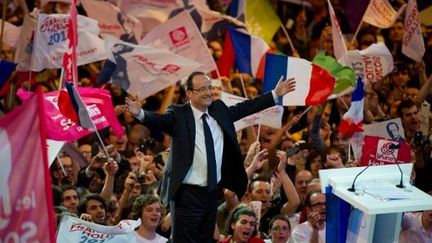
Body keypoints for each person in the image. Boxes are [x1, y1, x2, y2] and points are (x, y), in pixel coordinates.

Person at [125, 71, 296, 242]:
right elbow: (159, 120)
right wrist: (140, 114)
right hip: (187, 193)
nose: (208, 92)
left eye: (209, 88)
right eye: (202, 89)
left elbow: (246, 107)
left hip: (211, 192)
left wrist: (275, 94)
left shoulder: (219, 109)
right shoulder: (179, 114)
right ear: (189, 93)